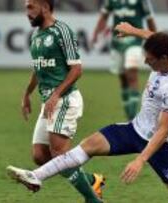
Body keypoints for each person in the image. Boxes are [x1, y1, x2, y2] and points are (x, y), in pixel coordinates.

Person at [7, 23, 168, 203]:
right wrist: (133, 31)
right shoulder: (167, 52)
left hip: (158, 144)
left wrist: (140, 159)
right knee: (89, 145)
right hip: (134, 129)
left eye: (149, 59)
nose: (146, 62)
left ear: (163, 58)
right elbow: (155, 35)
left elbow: (162, 131)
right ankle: (36, 176)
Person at [18, 0, 105, 202]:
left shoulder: (62, 31)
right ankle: (91, 180)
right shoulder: (36, 35)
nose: (27, 12)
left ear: (45, 7)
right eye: (26, 7)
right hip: (47, 102)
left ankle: (93, 200)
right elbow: (39, 68)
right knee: (40, 155)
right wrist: (27, 93)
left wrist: (56, 95)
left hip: (65, 99)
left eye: (31, 7)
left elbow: (76, 69)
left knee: (59, 153)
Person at [92, 0, 157, 120]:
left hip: (135, 42)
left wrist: (156, 39)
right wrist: (96, 34)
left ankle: (133, 117)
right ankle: (129, 116)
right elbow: (104, 16)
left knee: (131, 74)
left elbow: (150, 19)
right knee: (123, 78)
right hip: (117, 42)